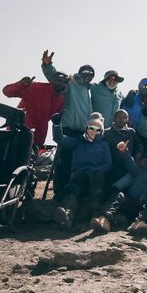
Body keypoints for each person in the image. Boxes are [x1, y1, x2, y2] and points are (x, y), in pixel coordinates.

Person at [41, 50, 95, 200]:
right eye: (84, 72)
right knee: (64, 162)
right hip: (68, 129)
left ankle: (75, 194)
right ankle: (59, 193)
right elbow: (55, 78)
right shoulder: (71, 84)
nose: (87, 75)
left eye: (90, 74)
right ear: (79, 72)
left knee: (79, 164)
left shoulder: (89, 90)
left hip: (83, 133)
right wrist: (47, 65)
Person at [92, 141, 147, 236]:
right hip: (131, 202)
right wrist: (125, 151)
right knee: (119, 195)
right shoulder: (139, 170)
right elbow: (130, 163)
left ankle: (141, 223)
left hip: (145, 205)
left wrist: (146, 193)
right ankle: (104, 219)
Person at [52, 113, 111, 228]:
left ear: (101, 131)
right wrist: (56, 125)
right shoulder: (77, 142)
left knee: (97, 182)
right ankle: (67, 215)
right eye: (91, 128)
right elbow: (59, 139)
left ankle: (95, 216)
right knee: (73, 188)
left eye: (98, 129)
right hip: (79, 174)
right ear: (86, 129)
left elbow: (107, 164)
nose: (94, 131)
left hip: (95, 175)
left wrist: (95, 170)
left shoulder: (104, 145)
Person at [2, 74, 67, 146]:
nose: (61, 84)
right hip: (19, 132)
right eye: (59, 80)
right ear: (52, 80)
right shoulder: (37, 87)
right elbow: (7, 91)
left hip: (37, 140)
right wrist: (22, 84)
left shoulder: (61, 100)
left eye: (65, 82)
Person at [103, 109, 143, 192]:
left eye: (125, 117)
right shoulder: (106, 133)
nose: (122, 120)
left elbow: (139, 145)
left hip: (128, 167)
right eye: (119, 117)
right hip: (112, 167)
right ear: (114, 118)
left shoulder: (131, 132)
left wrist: (138, 155)